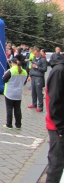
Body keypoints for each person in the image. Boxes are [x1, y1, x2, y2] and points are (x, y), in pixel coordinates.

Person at [45, 52, 64, 182]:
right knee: (56, 163)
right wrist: (60, 128)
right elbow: (54, 101)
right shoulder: (59, 71)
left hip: (59, 125)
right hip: (58, 127)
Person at [2, 58, 27, 130]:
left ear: (13, 63)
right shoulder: (24, 72)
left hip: (10, 92)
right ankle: (18, 125)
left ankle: (9, 124)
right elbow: (24, 82)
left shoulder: (11, 71)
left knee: (9, 109)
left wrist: (4, 75)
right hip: (18, 93)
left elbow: (4, 80)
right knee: (17, 109)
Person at [27, 47, 47, 112]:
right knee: (33, 92)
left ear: (38, 52)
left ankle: (40, 107)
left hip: (39, 77)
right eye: (34, 53)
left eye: (35, 53)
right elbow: (32, 68)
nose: (34, 55)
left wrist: (37, 67)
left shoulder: (43, 60)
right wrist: (30, 76)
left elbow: (45, 69)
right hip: (33, 77)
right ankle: (34, 104)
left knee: (39, 92)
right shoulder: (34, 59)